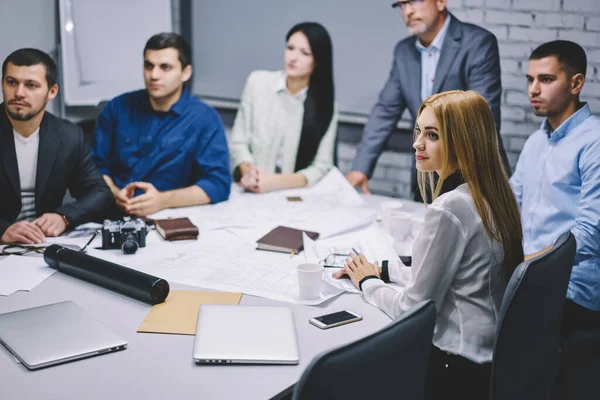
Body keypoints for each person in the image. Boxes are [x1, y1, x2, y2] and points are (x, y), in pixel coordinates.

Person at [335, 90, 524, 399]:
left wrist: (366, 282)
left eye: (432, 135)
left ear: (464, 141)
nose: (417, 143)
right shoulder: (493, 193)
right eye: (418, 131)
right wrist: (384, 269)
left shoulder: (449, 208)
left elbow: (413, 310)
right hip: (491, 353)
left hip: (456, 368)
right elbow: (451, 277)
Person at [346, 0, 509, 200]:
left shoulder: (478, 43)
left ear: (441, 2)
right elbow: (385, 112)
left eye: (414, 1)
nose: (408, 11)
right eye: (401, 5)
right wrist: (360, 168)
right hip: (427, 178)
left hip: (473, 176)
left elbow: (483, 117)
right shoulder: (403, 52)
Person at [510, 41, 600, 341]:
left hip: (571, 291)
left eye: (546, 79)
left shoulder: (594, 142)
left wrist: (525, 264)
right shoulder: (536, 141)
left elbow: (589, 235)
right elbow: (511, 201)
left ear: (576, 83)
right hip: (527, 279)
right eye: (530, 80)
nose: (533, 89)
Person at [91, 33, 231, 217]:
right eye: (149, 66)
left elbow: (217, 184)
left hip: (170, 217)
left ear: (186, 73)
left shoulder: (204, 118)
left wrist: (163, 201)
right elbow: (94, 167)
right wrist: (115, 194)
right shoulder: (117, 108)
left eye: (165, 67)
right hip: (111, 214)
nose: (154, 75)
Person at [0, 48, 112, 244]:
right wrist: (2, 230)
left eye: (31, 85)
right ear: (2, 84)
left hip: (43, 245)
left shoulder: (68, 136)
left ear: (52, 91)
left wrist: (64, 217)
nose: (19, 93)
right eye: (11, 82)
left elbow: (100, 193)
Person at [229, 22, 338, 193]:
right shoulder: (257, 82)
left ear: (317, 61)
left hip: (293, 196)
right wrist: (248, 171)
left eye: (304, 53)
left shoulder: (324, 104)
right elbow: (238, 141)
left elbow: (321, 166)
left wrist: (273, 182)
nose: (293, 58)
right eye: (290, 48)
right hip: (250, 190)